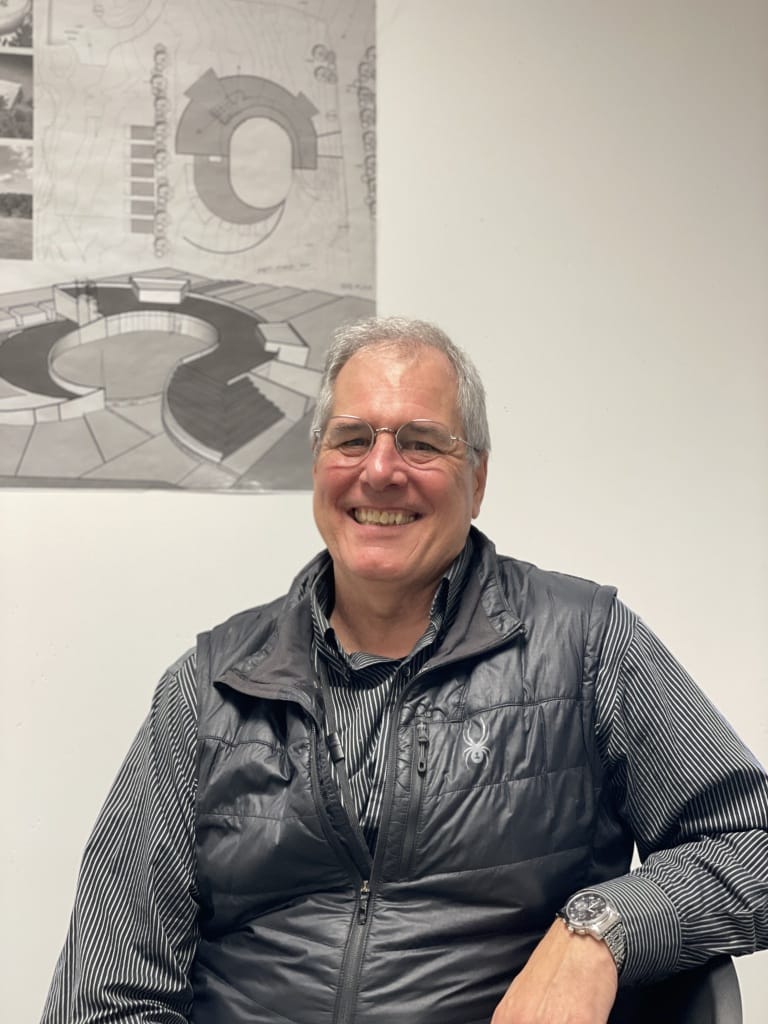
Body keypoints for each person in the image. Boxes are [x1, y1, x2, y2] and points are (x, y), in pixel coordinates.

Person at [42, 316, 768, 1024]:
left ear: (476, 479)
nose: (380, 470)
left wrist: (597, 932)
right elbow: (105, 996)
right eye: (352, 439)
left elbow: (752, 842)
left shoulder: (585, 645)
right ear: (320, 465)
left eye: (421, 443)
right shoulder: (208, 688)